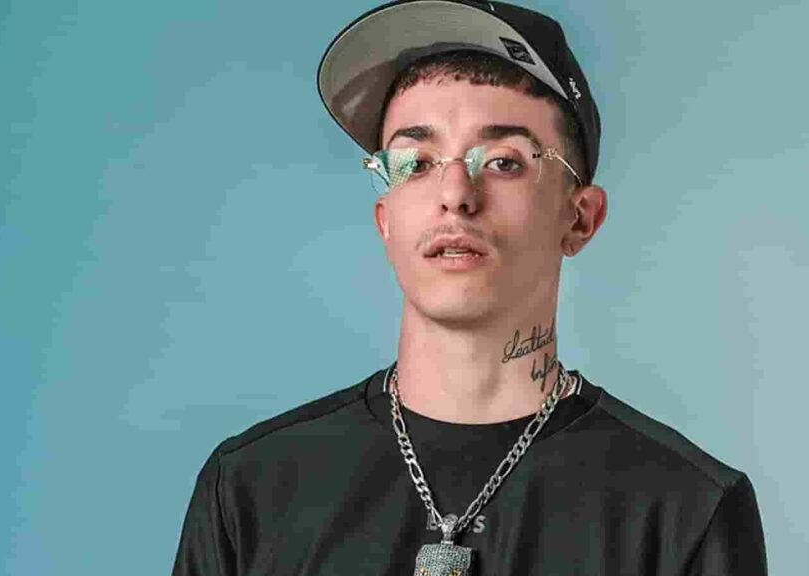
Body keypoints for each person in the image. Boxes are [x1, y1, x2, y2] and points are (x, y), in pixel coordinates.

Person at [172, 1, 768, 574]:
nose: (455, 194)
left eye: (504, 161)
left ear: (580, 218)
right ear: (385, 220)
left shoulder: (685, 509)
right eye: (415, 163)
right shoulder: (251, 488)